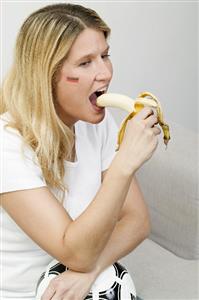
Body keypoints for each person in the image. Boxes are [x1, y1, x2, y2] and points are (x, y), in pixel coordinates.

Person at [0, 3, 161, 299]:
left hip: (75, 281)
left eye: (105, 56)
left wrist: (89, 271)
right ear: (45, 74)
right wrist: (124, 163)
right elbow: (74, 251)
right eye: (85, 63)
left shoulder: (95, 122)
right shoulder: (7, 146)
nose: (105, 73)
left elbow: (138, 221)